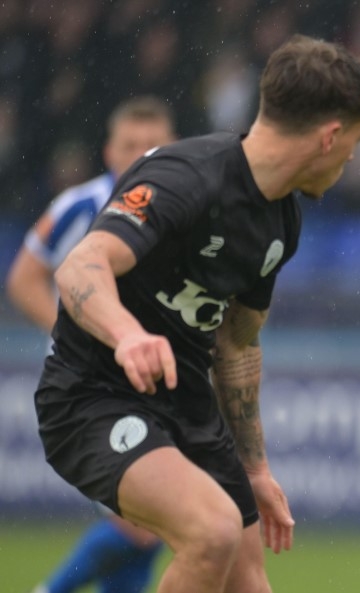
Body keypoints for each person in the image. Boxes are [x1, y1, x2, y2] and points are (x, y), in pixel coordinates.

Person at [35, 35, 360, 593]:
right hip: (93, 398)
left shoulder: (281, 222)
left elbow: (238, 345)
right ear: (330, 136)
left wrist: (254, 469)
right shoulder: (186, 176)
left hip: (189, 409)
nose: (351, 159)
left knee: (249, 580)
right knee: (213, 531)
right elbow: (82, 264)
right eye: (358, 142)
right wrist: (127, 335)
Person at [9, 96, 175, 593]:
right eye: (131, 145)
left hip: (158, 383)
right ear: (109, 151)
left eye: (154, 145)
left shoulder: (186, 208)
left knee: (151, 526)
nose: (142, 154)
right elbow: (23, 279)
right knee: (146, 524)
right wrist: (75, 334)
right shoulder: (80, 206)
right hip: (92, 389)